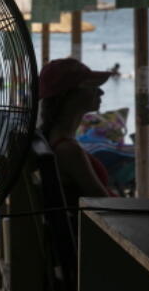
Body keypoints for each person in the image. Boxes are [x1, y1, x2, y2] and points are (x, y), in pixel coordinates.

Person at [39, 58, 115, 204]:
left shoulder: (54, 138)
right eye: (92, 86)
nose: (101, 92)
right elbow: (106, 204)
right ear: (69, 95)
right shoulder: (69, 151)